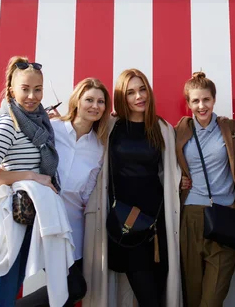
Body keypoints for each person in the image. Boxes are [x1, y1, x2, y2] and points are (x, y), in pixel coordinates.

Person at [82, 68, 182, 307]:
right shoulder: (110, 125)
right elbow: (80, 134)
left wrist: (183, 179)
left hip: (157, 224)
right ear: (121, 97)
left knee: (157, 293)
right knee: (147, 297)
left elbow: (169, 171)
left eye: (142, 89)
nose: (139, 96)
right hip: (124, 222)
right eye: (131, 92)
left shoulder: (162, 128)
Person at [16, 77, 111, 307]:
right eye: (89, 99)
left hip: (74, 228)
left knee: (68, 295)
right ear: (77, 101)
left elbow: (88, 191)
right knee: (72, 288)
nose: (95, 106)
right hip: (43, 222)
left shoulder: (99, 146)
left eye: (100, 102)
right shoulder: (52, 129)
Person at [0, 56, 61, 307]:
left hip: (29, 217)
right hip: (7, 220)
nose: (32, 96)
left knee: (15, 295)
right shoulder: (8, 123)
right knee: (2, 298)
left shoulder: (39, 122)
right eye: (25, 89)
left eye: (38, 89)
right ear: (12, 89)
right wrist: (32, 176)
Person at [175, 71, 235, 307]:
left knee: (212, 298)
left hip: (225, 214)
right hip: (192, 214)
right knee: (192, 294)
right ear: (188, 104)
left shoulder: (230, 128)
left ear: (214, 99)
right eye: (195, 101)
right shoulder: (180, 130)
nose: (201, 106)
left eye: (206, 99)